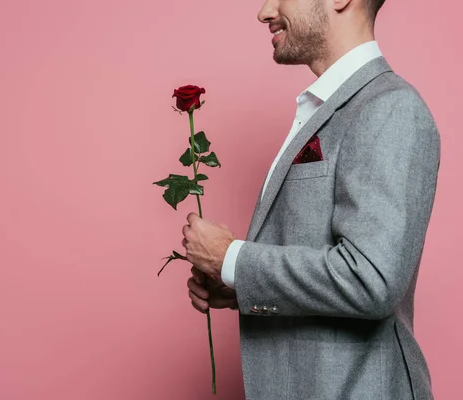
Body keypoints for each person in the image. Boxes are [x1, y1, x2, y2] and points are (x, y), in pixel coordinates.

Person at [181, 0, 440, 398]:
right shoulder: (328, 108)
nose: (265, 11)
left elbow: (369, 279)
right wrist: (240, 285)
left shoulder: (389, 107)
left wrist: (231, 258)